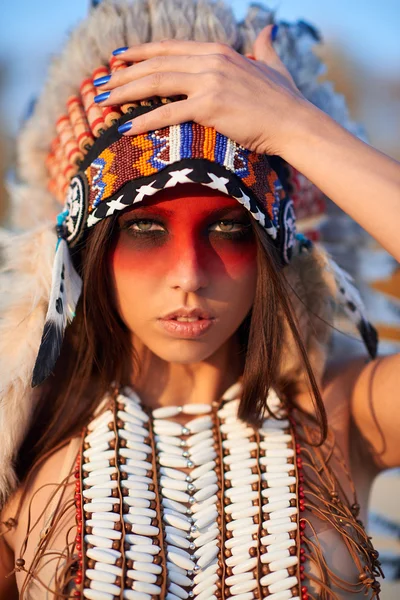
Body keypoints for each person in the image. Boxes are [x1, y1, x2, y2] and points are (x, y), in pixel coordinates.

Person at [0, 1, 399, 598]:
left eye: (230, 230)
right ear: (85, 248)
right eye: (144, 230)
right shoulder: (22, 440)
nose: (189, 274)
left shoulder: (346, 408)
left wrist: (295, 127)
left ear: (274, 249)